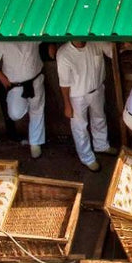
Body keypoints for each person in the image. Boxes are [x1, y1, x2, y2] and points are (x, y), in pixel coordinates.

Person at [56, 41, 115, 172]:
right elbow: (64, 83)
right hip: (77, 95)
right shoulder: (64, 53)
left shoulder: (95, 42)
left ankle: (101, 145)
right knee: (80, 127)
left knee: (99, 118)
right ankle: (87, 158)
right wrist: (67, 104)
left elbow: (113, 52)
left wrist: (124, 46)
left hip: (97, 89)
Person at [0, 41, 46, 158]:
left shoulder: (32, 32)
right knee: (14, 114)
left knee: (37, 110)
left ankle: (35, 143)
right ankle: (27, 107)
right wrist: (3, 79)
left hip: (35, 80)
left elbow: (46, 37)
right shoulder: (2, 41)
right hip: (16, 85)